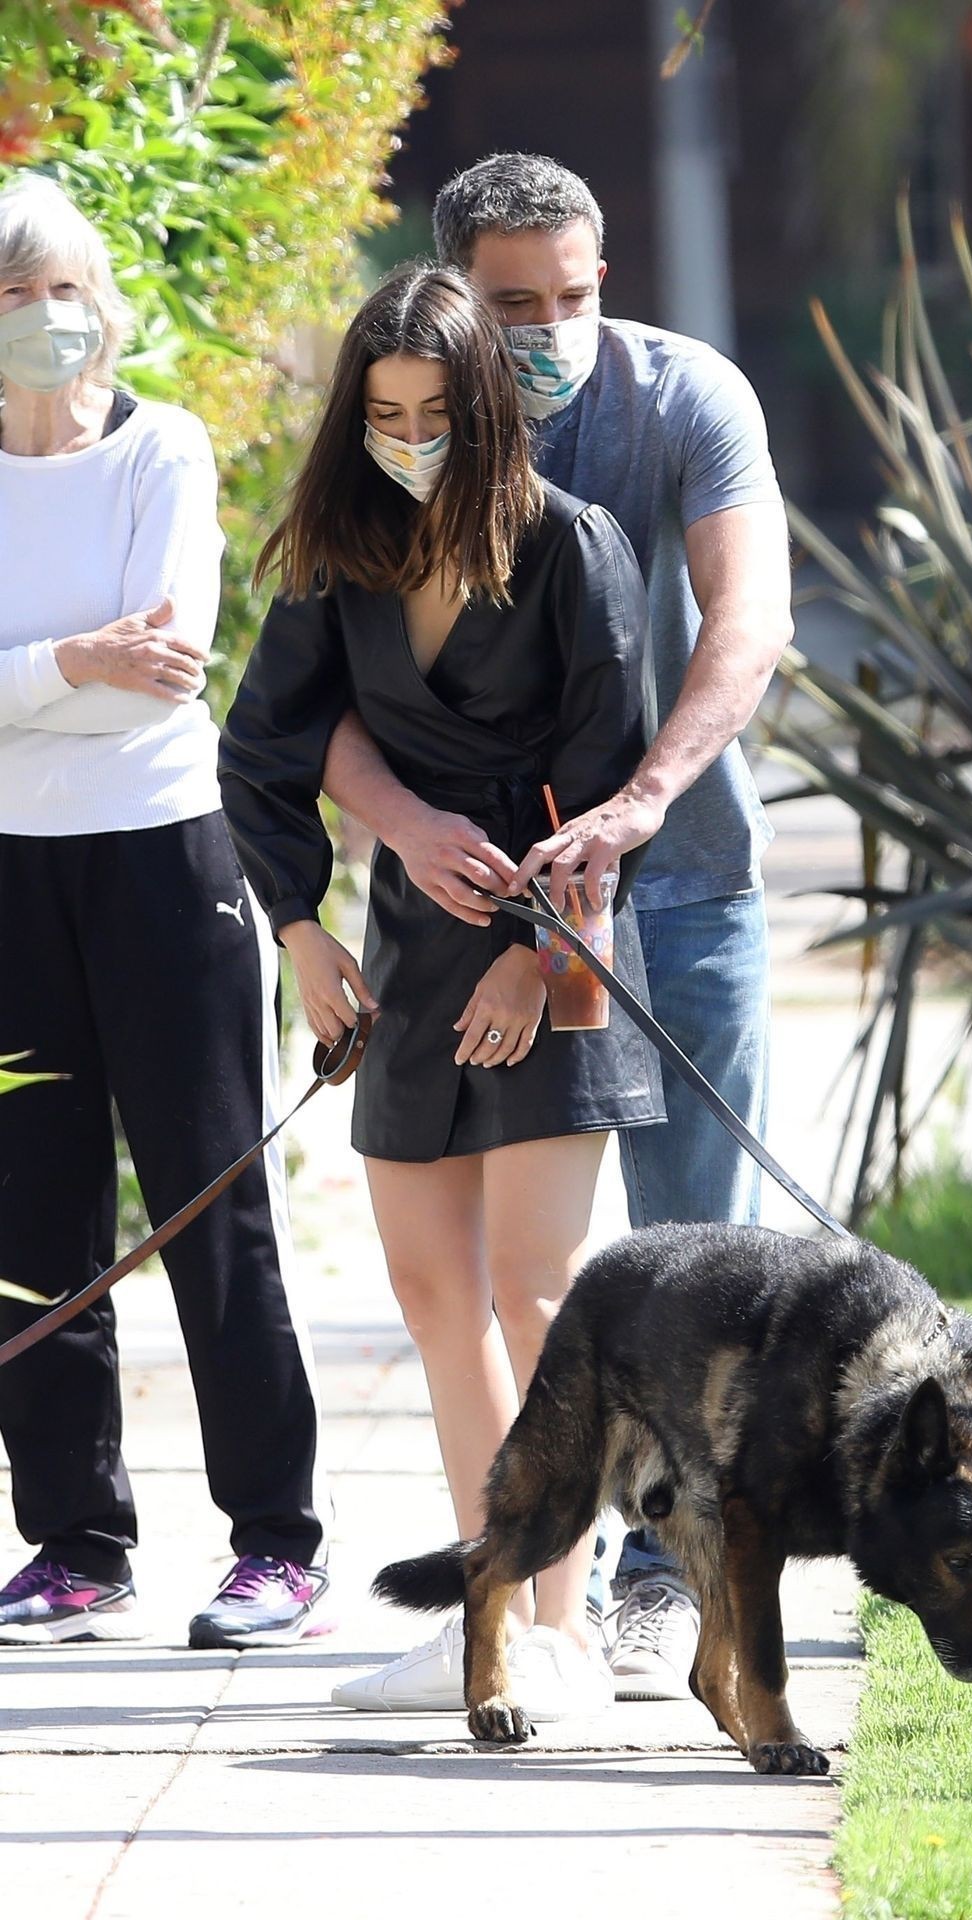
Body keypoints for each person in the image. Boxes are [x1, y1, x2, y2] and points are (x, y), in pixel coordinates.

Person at [321, 153, 794, 1704]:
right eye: (513, 304)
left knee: (696, 1264)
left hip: (684, 881)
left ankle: (675, 1580)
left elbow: (749, 618)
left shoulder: (683, 398)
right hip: (488, 920)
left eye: (575, 296)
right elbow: (318, 682)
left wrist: (644, 801)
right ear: (453, 293)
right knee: (527, 1279)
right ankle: (551, 1603)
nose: (549, 330)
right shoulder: (410, 414)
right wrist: (403, 839)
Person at [217, 263, 664, 1721]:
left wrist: (540, 958)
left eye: (435, 414)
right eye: (384, 414)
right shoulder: (341, 551)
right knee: (431, 1296)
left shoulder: (574, 545)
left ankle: (568, 1629)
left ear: (486, 409)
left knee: (539, 1295)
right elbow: (264, 748)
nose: (409, 439)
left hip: (557, 955)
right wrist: (302, 931)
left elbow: (613, 785)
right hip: (409, 956)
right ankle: (491, 1620)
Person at [0, 175, 329, 1649]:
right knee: (29, 1210)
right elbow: (114, 666)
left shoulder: (163, 449)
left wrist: (30, 676)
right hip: (10, 871)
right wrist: (80, 658)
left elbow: (173, 662)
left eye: (63, 287)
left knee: (212, 1199)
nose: (42, 317)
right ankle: (77, 1545)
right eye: (12, 294)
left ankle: (278, 1543)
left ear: (106, 304)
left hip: (162, 859)